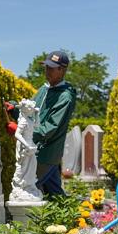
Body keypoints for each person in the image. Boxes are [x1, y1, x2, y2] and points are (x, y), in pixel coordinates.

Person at [31, 50, 77, 196]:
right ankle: (77, 219)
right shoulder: (43, 90)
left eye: (51, 68)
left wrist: (24, 132)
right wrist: (14, 109)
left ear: (62, 70)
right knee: (56, 195)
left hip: (46, 154)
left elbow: (50, 128)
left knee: (29, 188)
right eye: (46, 67)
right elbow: (29, 112)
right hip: (39, 151)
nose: (47, 71)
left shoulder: (65, 96)